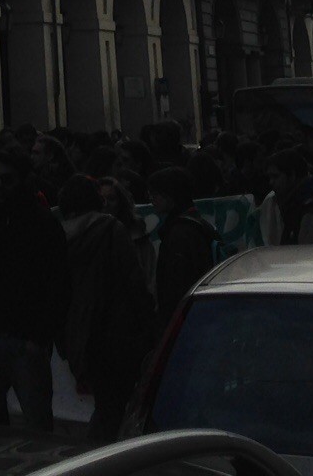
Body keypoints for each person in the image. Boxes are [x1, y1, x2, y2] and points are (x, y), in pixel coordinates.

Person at [0, 143, 68, 430]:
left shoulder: (42, 223)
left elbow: (56, 282)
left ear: (23, 180)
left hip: (25, 338)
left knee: (35, 422)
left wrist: (40, 335)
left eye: (7, 179)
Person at [56, 174, 149, 442]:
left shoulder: (59, 234)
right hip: (115, 330)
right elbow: (133, 281)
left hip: (80, 330)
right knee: (113, 407)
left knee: (105, 405)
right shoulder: (110, 229)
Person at [146, 167, 219, 336]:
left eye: (155, 194)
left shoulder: (180, 234)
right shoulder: (196, 226)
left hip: (185, 322)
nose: (151, 199)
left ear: (170, 196)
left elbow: (175, 285)